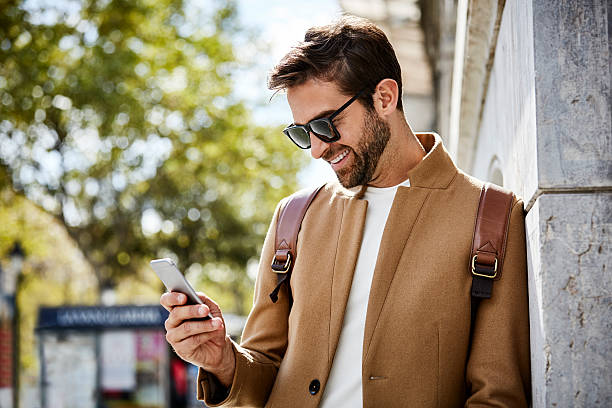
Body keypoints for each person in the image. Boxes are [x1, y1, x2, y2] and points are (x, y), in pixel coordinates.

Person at [160, 15, 531, 407]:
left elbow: (497, 395)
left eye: (326, 124)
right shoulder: (294, 217)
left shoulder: (489, 215)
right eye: (303, 132)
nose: (318, 148)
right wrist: (221, 359)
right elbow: (265, 367)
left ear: (384, 98)